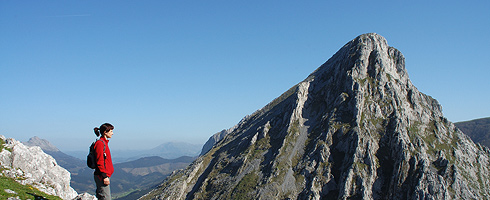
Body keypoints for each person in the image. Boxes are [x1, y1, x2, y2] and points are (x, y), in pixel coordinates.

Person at [93, 123, 114, 200]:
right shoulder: (100, 143)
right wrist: (104, 176)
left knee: (102, 197)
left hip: (104, 175)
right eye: (111, 131)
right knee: (106, 198)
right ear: (105, 132)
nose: (112, 133)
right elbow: (100, 161)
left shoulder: (104, 143)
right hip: (102, 176)